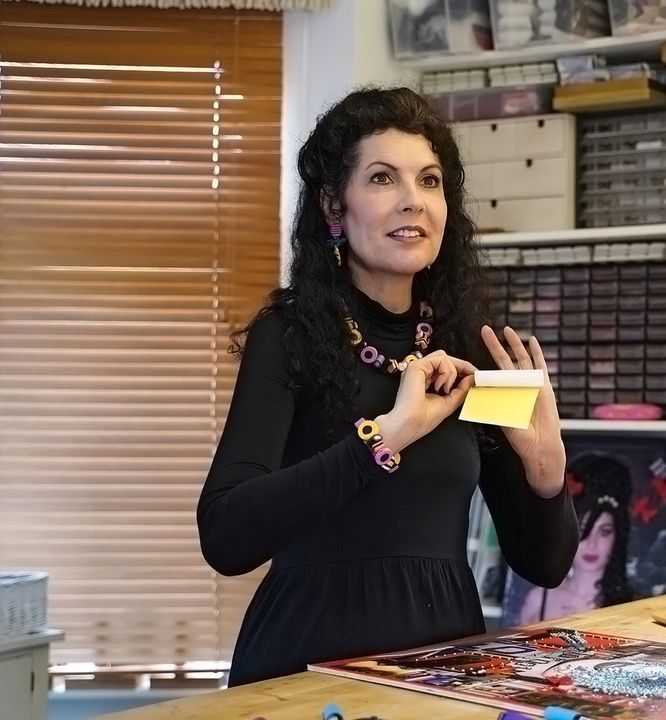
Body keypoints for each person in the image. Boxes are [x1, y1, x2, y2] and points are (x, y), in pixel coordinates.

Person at [197, 87, 579, 687]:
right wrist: (390, 435)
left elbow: (546, 564)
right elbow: (226, 536)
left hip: (443, 673)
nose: (412, 202)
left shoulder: (477, 352)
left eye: (429, 182)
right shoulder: (288, 336)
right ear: (333, 206)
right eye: (382, 179)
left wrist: (548, 471)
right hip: (302, 671)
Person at [517, 454, 635, 625]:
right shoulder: (539, 598)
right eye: (582, 530)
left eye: (604, 531)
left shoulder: (630, 607)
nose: (592, 544)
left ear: (617, 535)